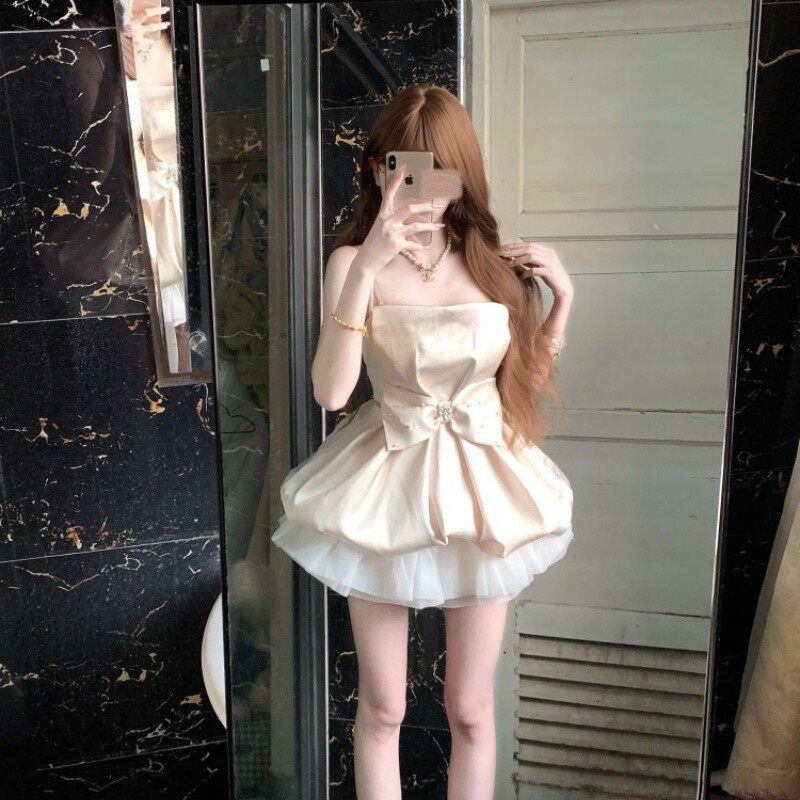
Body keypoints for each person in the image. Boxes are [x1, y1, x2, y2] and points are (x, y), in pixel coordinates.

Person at [271, 83, 575, 800]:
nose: (421, 189)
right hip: (387, 479)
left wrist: (562, 302)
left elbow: (520, 384)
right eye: (403, 168)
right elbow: (332, 393)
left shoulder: (492, 263)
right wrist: (368, 267)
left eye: (440, 172)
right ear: (376, 167)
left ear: (462, 176)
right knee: (384, 708)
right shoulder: (353, 264)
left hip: (484, 484)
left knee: (469, 709)